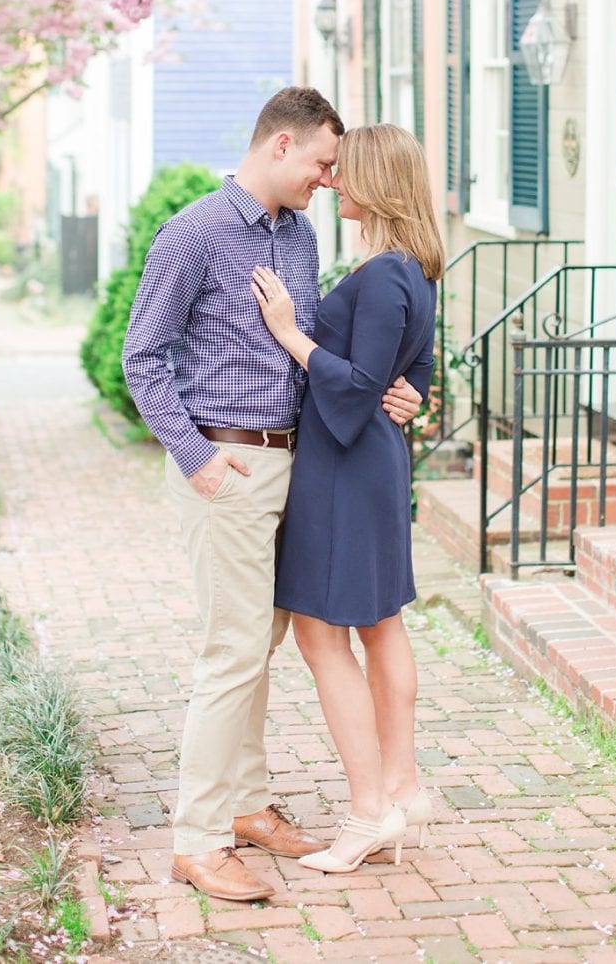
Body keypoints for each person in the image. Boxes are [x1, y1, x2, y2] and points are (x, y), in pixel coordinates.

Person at [122, 87, 423, 903]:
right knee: (231, 651)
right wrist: (197, 460)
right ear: (280, 146)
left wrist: (398, 390)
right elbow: (142, 356)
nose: (330, 179)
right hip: (228, 468)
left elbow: (329, 348)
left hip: (302, 466)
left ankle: (248, 804)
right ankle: (198, 837)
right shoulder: (193, 234)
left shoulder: (300, 236)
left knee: (267, 640)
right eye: (324, 162)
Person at [251, 122, 442, 873]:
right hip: (376, 463)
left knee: (321, 634)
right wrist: (415, 395)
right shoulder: (416, 270)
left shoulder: (381, 275)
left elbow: (358, 386)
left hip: (344, 466)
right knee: (381, 625)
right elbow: (416, 364)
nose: (331, 182)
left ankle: (369, 815)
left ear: (376, 182)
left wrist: (290, 333)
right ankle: (404, 786)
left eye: (343, 172)